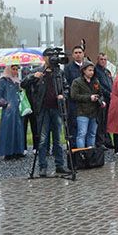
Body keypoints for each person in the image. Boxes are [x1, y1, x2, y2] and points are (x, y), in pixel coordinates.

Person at [21, 48, 71, 177]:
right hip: (42, 109)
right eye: (50, 56)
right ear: (44, 58)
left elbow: (66, 88)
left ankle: (59, 165)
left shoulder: (59, 72)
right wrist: (33, 77)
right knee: (43, 140)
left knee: (58, 140)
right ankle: (42, 167)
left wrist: (62, 95)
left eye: (54, 56)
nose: (52, 58)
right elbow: (23, 84)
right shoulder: (37, 71)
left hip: (56, 109)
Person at [0, 63, 26, 159]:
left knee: (18, 130)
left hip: (18, 109)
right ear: (9, 69)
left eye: (17, 69)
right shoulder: (3, 80)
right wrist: (6, 104)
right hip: (8, 111)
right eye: (13, 69)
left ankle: (18, 151)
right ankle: (8, 152)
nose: (15, 71)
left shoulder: (18, 81)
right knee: (8, 130)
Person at [70, 62, 104, 149]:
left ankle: (91, 153)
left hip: (94, 112)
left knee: (92, 133)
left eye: (93, 70)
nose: (92, 72)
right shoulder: (77, 82)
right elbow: (74, 96)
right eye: (89, 70)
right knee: (82, 133)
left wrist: (101, 101)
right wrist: (89, 97)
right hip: (82, 112)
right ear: (84, 70)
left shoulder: (96, 81)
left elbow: (100, 93)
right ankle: (81, 154)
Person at [94, 53, 114, 148]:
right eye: (101, 59)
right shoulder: (95, 71)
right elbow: (98, 85)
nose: (103, 61)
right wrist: (107, 93)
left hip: (109, 98)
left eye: (105, 59)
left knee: (107, 120)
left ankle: (107, 140)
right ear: (97, 60)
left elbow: (111, 83)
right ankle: (100, 142)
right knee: (100, 121)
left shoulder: (107, 71)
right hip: (102, 98)